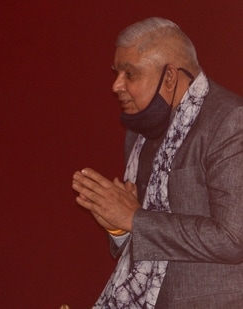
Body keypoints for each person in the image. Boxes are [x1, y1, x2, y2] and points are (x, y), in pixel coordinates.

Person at [72, 17, 243, 308]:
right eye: (117, 72)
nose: (116, 85)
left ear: (169, 78)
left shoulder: (230, 121)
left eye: (130, 74)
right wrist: (120, 228)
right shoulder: (139, 133)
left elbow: (233, 239)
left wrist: (134, 219)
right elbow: (149, 236)